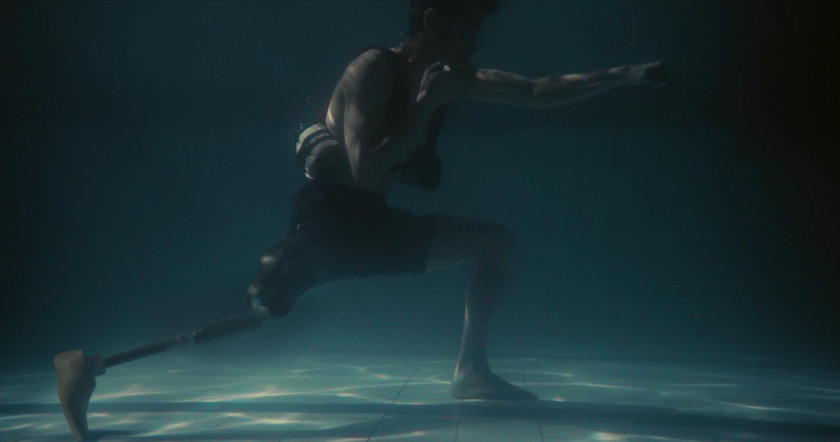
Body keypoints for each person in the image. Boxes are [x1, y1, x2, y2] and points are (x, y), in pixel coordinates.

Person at [247, 0, 666, 401]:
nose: (476, 43)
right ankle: (259, 294)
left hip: (376, 226)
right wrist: (427, 102)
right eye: (469, 30)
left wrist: (625, 75)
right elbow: (365, 171)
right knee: (278, 284)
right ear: (432, 23)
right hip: (323, 226)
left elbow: (535, 92)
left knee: (496, 244)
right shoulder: (371, 70)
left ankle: (470, 372)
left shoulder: (449, 79)